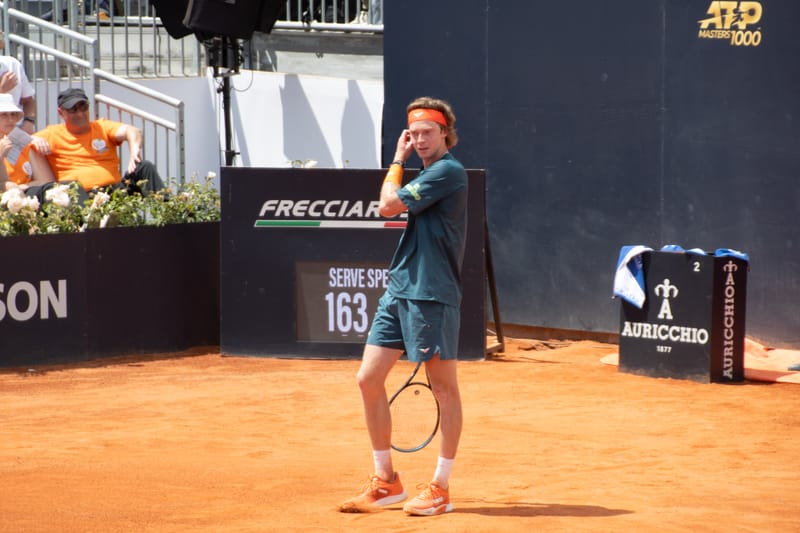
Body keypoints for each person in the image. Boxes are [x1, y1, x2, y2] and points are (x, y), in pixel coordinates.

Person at [339, 97, 468, 516]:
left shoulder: (448, 171)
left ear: (445, 133)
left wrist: (396, 161)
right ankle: (386, 481)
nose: (420, 139)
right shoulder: (427, 172)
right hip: (399, 290)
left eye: (428, 132)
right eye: (413, 133)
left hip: (431, 293)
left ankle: (440, 487)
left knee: (444, 389)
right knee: (367, 379)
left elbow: (387, 205)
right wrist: (401, 158)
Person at [34, 87, 164, 201]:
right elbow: (19, 140)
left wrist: (134, 151)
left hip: (114, 190)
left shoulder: (101, 127)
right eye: (73, 110)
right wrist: (32, 139)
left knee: (144, 167)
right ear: (61, 113)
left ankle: (168, 214)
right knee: (72, 188)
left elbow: (132, 130)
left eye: (83, 107)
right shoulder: (51, 134)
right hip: (81, 195)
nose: (80, 114)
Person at [0, 93, 54, 187]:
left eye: (13, 114)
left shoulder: (24, 142)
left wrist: (21, 188)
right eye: (4, 115)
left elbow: (46, 181)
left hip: (24, 196)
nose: (10, 119)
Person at [0, 33, 38, 135]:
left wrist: (29, 122)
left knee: (40, 146)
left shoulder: (13, 64)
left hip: (15, 131)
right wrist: (1, 91)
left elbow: (29, 101)